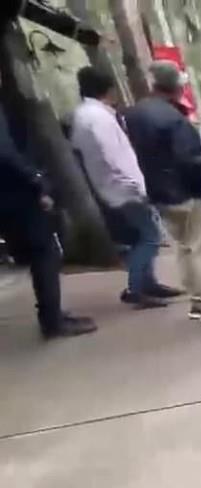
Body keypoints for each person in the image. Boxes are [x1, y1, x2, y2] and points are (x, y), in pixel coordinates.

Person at [125, 60, 201, 325]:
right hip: (187, 194)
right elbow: (189, 162)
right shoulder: (175, 120)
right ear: (177, 87)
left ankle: (197, 302)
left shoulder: (135, 115)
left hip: (160, 193)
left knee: (185, 249)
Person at [69, 66, 180, 309]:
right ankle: (136, 287)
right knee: (150, 236)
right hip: (123, 186)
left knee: (144, 234)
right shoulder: (98, 118)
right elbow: (113, 155)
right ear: (108, 90)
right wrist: (135, 185)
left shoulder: (83, 115)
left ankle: (148, 283)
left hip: (110, 185)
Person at [0, 99, 96, 338]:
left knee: (41, 253)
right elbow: (5, 152)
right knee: (44, 253)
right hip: (16, 193)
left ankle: (52, 315)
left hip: (10, 193)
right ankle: (52, 321)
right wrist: (37, 181)